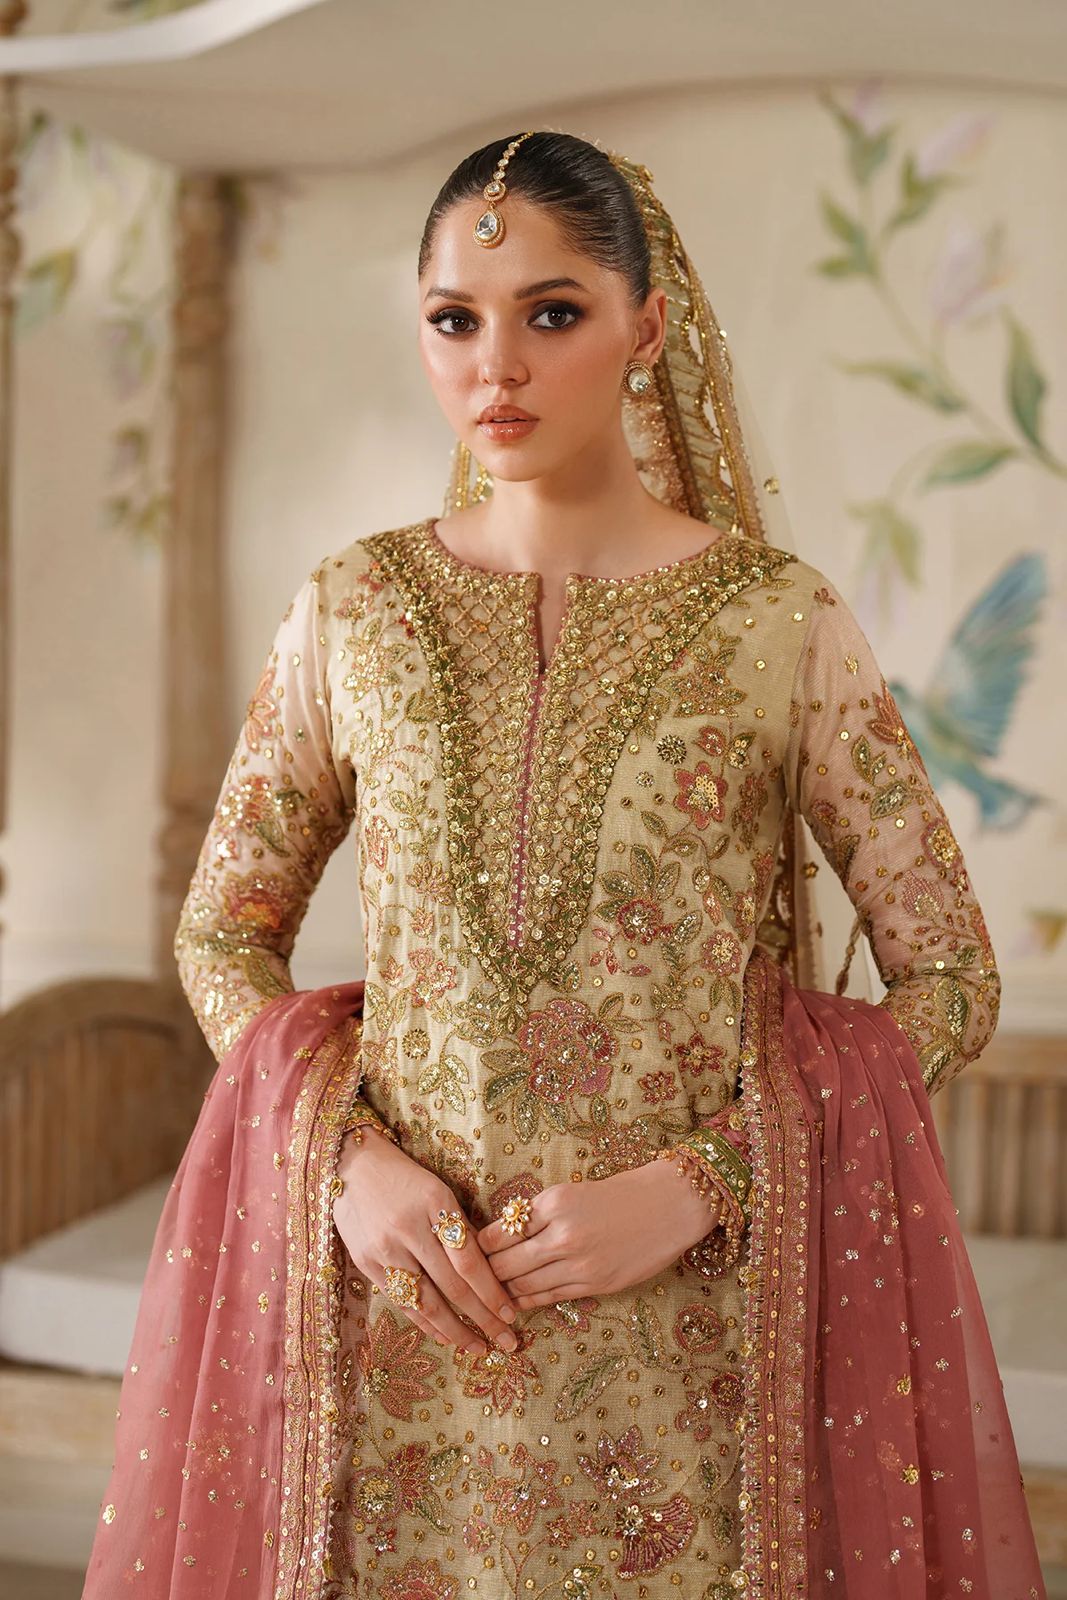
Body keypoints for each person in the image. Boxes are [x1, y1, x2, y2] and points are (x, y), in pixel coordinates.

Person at [81, 130, 1046, 1600]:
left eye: (552, 311)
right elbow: (223, 934)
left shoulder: (777, 623)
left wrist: (707, 1182)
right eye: (454, 319)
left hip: (693, 1354)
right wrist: (345, 1165)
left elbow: (952, 979)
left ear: (646, 329)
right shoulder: (353, 609)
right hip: (402, 1327)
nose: (498, 367)